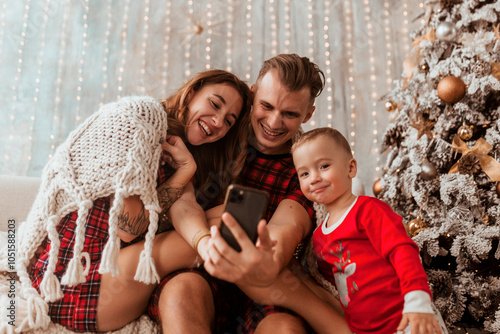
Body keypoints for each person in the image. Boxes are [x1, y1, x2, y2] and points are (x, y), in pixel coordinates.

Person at [21, 69, 252, 332]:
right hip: (77, 285)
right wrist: (186, 171)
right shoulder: (144, 117)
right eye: (214, 104)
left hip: (106, 277)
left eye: (229, 121)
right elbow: (128, 228)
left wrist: (188, 174)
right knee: (232, 222)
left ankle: (249, 288)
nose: (218, 121)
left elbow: (185, 208)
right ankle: (260, 296)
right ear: (191, 93)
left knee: (230, 213)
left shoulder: (180, 152)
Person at [147, 54, 349, 333]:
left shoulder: (304, 166)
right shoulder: (218, 129)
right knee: (180, 292)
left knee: (285, 329)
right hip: (199, 271)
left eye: (290, 114)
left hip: (266, 287)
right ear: (253, 94)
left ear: (308, 115)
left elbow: (288, 226)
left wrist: (271, 256)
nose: (274, 122)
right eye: (266, 106)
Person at [287, 127, 446, 334]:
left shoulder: (368, 210)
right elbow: (335, 283)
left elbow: (403, 250)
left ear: (350, 168)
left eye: (324, 166)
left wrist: (417, 301)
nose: (314, 178)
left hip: (408, 319)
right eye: (305, 173)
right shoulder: (319, 237)